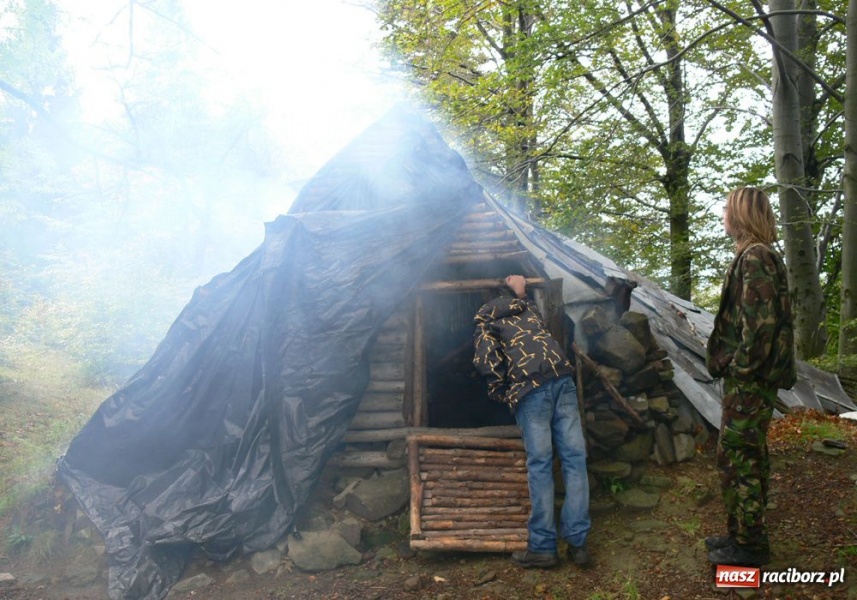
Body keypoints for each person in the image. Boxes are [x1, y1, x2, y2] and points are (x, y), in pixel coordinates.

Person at [473, 274, 591, 568]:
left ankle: (542, 547)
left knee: (540, 464)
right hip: (561, 379)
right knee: (574, 459)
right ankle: (578, 543)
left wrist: (502, 394)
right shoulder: (526, 309)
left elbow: (488, 362)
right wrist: (521, 293)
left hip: (529, 388)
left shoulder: (486, 319)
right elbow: (538, 330)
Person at [705, 187, 796, 567]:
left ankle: (750, 548)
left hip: (750, 381)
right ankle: (740, 535)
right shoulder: (755, 256)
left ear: (740, 215)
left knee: (738, 457)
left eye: (727, 209)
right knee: (746, 456)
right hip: (752, 379)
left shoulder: (755, 257)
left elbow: (758, 331)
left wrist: (739, 372)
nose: (723, 215)